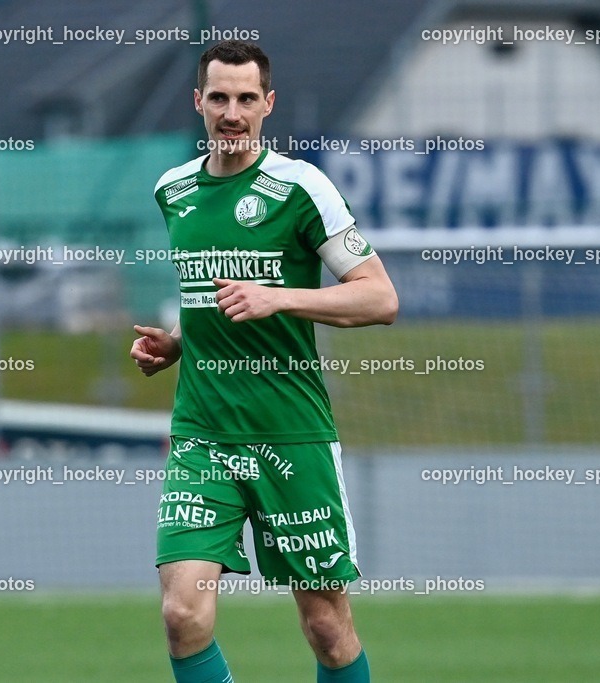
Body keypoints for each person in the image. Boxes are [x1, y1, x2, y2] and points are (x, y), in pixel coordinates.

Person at [130, 40, 398, 683]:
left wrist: (278, 298)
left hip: (291, 433)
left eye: (246, 98)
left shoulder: (303, 188)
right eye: (218, 97)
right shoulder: (174, 191)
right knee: (181, 615)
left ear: (267, 105)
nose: (231, 111)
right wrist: (179, 340)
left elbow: (380, 297)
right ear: (198, 102)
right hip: (204, 434)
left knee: (328, 629)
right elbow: (212, 301)